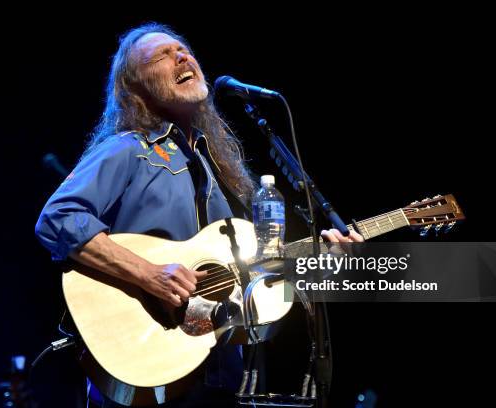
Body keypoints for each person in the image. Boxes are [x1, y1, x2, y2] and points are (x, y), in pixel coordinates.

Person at [35, 22, 363, 407]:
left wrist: (317, 265)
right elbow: (57, 218)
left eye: (183, 50)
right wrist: (150, 274)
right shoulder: (130, 149)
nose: (181, 56)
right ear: (135, 86)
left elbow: (253, 283)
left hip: (218, 376)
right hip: (145, 365)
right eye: (161, 55)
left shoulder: (215, 167)